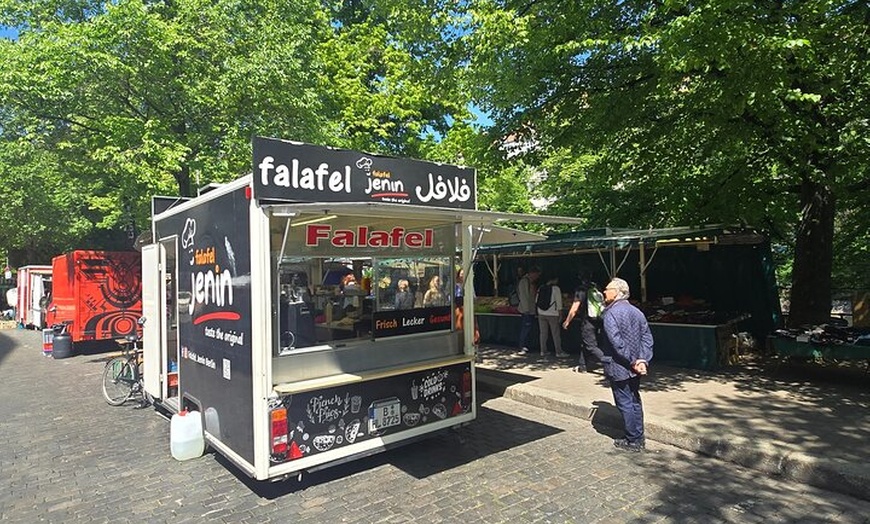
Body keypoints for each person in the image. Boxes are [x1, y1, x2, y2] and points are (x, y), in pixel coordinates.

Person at [600, 277, 654, 452]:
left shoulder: (610, 313)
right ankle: (639, 436)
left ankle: (633, 439)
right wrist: (642, 359)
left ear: (617, 292)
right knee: (634, 399)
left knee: (624, 402)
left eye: (607, 289)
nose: (604, 292)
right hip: (635, 365)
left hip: (619, 365)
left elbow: (616, 342)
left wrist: (633, 361)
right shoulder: (637, 312)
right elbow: (647, 337)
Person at [562, 276, 606, 372]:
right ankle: (582, 366)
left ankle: (609, 362)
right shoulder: (596, 287)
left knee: (591, 346)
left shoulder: (581, 289)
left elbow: (575, 307)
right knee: (585, 342)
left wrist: (567, 320)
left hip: (587, 321)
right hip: (598, 320)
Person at [536, 275, 568, 357]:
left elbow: (536, 300)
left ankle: (543, 351)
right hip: (553, 313)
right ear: (554, 279)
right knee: (555, 333)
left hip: (541, 313)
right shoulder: (556, 289)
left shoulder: (541, 288)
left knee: (543, 333)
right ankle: (558, 352)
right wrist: (560, 314)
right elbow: (559, 303)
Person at [517, 266, 540, 354]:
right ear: (532, 273)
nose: (537, 277)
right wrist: (526, 309)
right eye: (537, 275)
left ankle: (527, 346)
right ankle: (522, 346)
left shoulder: (529, 282)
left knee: (528, 329)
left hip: (530, 309)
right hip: (527, 310)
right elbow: (524, 296)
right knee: (525, 328)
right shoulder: (524, 281)